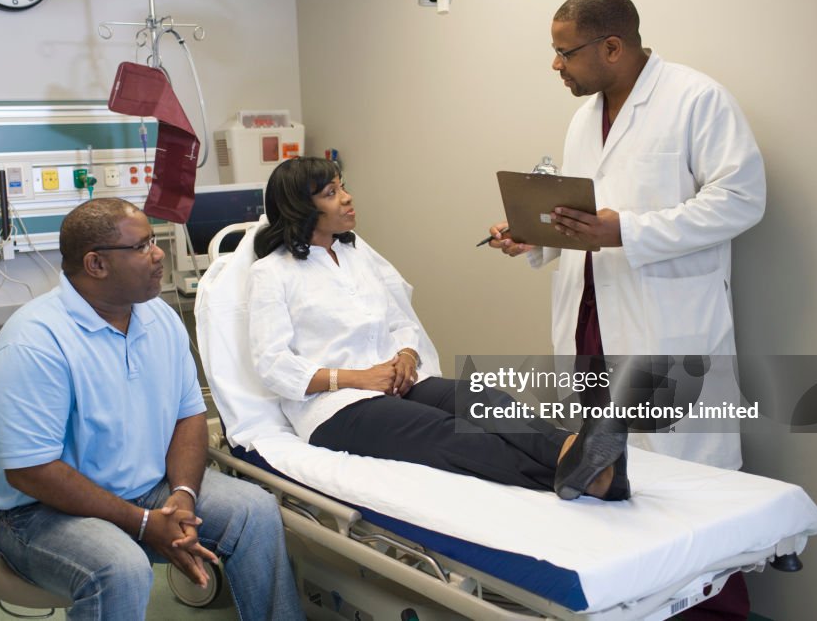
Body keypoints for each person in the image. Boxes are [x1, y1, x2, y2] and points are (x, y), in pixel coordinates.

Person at [487, 0, 765, 619]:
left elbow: (741, 200)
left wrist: (628, 230)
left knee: (687, 501)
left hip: (662, 326)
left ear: (612, 47)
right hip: (592, 326)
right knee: (606, 487)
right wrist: (534, 235)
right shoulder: (584, 117)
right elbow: (584, 219)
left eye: (564, 53)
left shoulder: (697, 99)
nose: (555, 66)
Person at [0, 198, 302, 621]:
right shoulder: (34, 343)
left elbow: (188, 415)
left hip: (148, 489)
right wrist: (144, 523)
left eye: (154, 241)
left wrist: (183, 497)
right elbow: (30, 470)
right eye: (142, 246)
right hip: (39, 514)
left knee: (255, 512)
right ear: (96, 264)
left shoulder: (159, 319)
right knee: (121, 568)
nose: (158, 254)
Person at [247, 156, 630, 503]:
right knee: (447, 432)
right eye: (332, 193)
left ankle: (585, 453)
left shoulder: (356, 256)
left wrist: (406, 356)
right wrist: (359, 378)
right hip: (334, 407)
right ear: (301, 209)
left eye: (343, 186)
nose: (347, 198)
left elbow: (400, 319)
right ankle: (585, 477)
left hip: (397, 382)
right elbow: (273, 364)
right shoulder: (272, 273)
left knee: (485, 399)